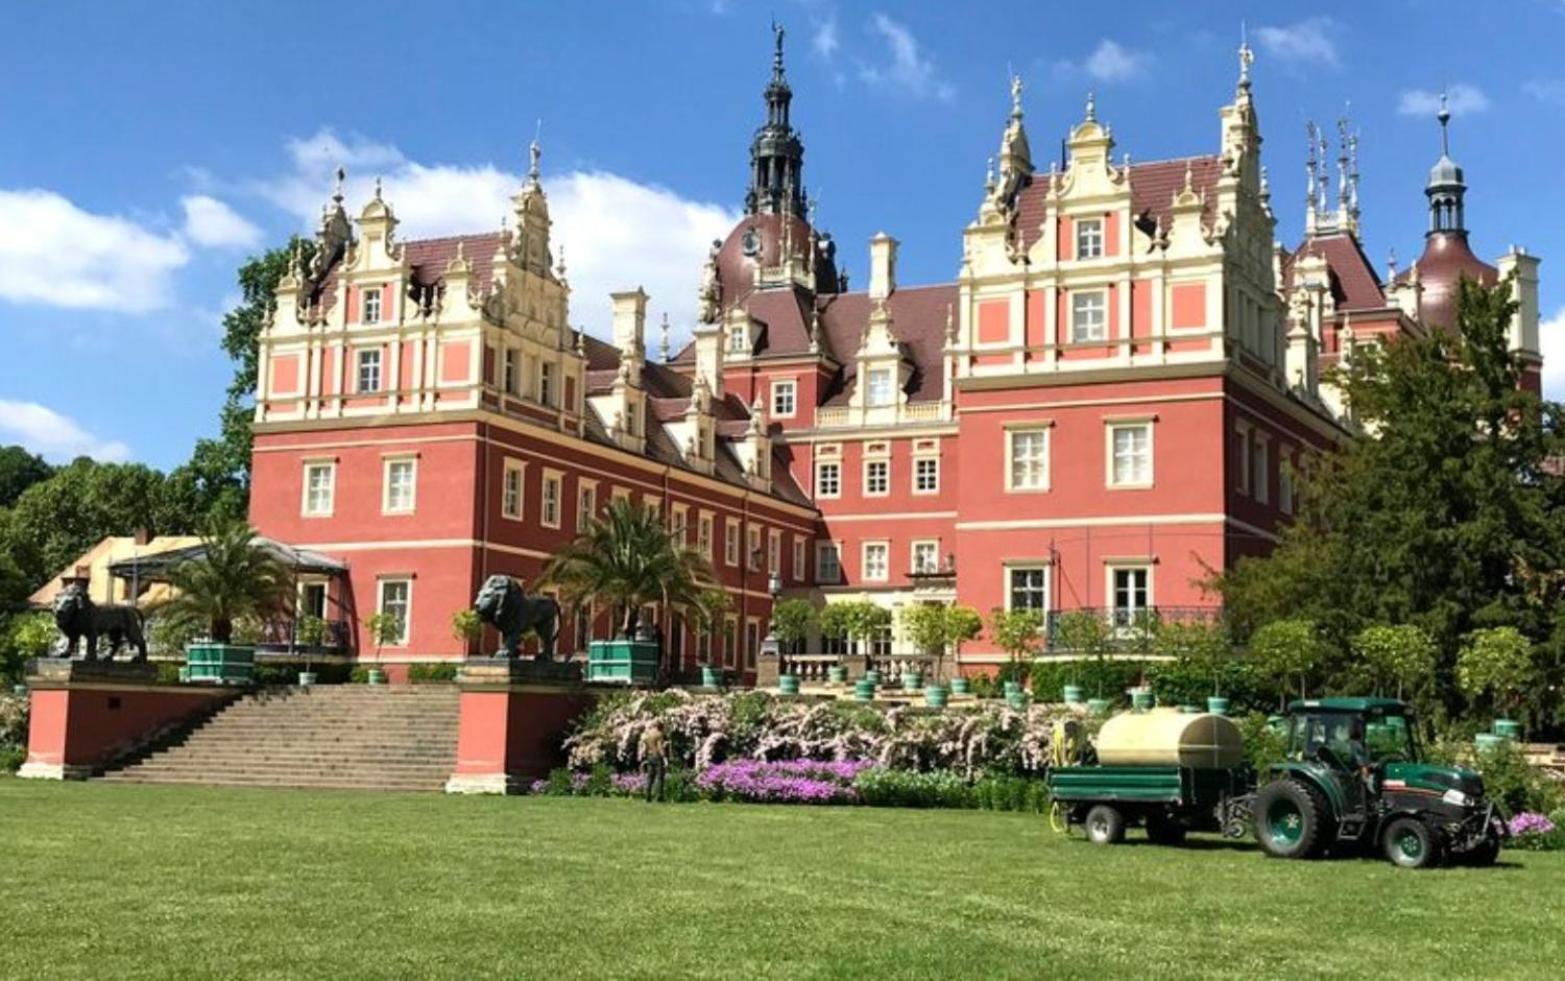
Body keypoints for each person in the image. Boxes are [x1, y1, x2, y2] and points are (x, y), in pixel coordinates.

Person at [641, 722, 667, 803]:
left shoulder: (648, 734)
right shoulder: (659, 734)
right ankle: (659, 797)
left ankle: (647, 797)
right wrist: (665, 758)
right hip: (657, 756)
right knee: (659, 777)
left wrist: (644, 755)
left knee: (650, 777)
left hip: (649, 756)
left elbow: (645, 746)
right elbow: (659, 747)